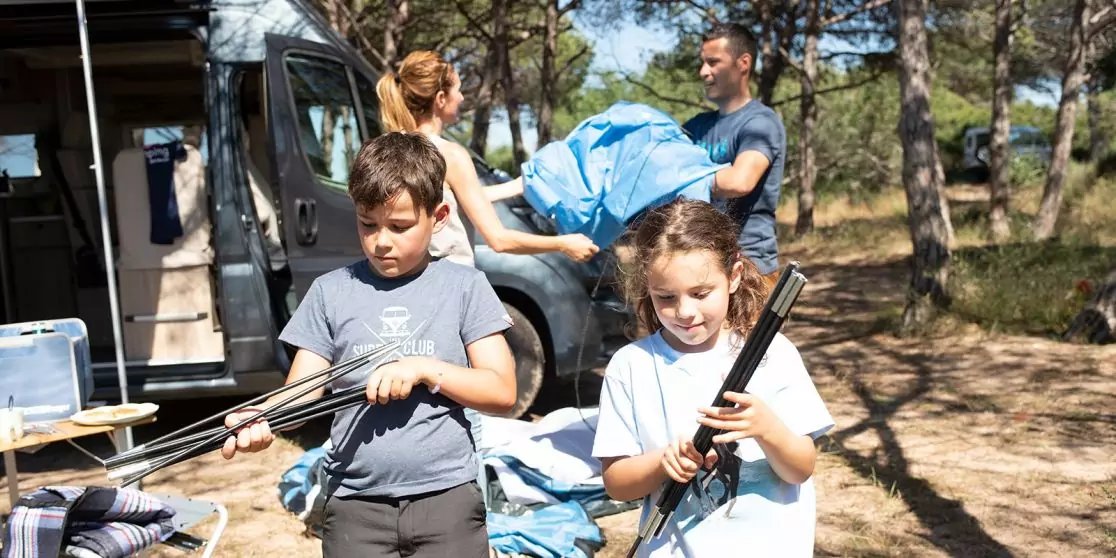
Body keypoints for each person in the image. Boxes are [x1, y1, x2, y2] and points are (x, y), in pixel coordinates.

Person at [220, 132, 518, 557]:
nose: (381, 240)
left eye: (399, 227)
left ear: (439, 216)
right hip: (354, 504)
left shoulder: (465, 287)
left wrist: (423, 369)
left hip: (446, 498)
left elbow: (502, 391)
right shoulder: (331, 292)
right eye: (367, 223)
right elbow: (298, 396)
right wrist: (263, 417)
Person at [592, 199, 833, 557]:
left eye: (701, 294)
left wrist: (768, 429)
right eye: (666, 297)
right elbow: (616, 482)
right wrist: (662, 462)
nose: (685, 312)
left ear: (733, 276)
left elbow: (800, 468)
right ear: (647, 286)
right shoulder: (631, 367)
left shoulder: (774, 354)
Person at [376, 50, 599, 267]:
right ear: (441, 98)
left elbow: (454, 196)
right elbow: (499, 240)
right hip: (449, 287)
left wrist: (518, 185)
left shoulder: (389, 150)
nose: (462, 98)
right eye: (458, 90)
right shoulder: (449, 155)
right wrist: (563, 244)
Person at [683, 23, 786, 282]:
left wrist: (681, 180)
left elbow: (740, 182)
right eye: (702, 63)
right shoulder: (696, 126)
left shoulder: (760, 122)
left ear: (743, 63)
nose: (703, 72)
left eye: (713, 62)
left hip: (751, 265)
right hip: (702, 261)